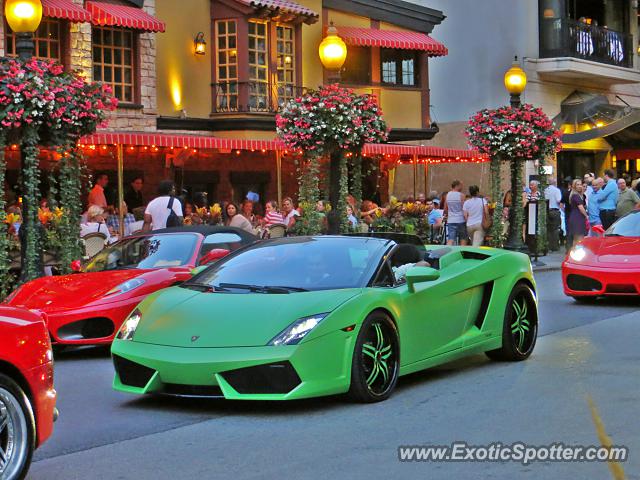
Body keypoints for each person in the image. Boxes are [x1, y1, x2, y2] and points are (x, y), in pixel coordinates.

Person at [444, 180, 468, 246]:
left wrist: (448, 215)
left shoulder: (447, 195)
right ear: (457, 186)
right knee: (463, 238)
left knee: (451, 239)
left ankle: (448, 253)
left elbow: (445, 208)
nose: (462, 187)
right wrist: (466, 218)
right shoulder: (461, 195)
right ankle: (462, 252)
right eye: (461, 186)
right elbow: (464, 208)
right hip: (461, 220)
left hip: (451, 220)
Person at [567, 179, 588, 247]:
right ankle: (577, 255)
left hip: (575, 217)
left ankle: (574, 255)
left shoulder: (575, 195)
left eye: (580, 184)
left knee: (576, 239)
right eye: (577, 185)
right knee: (579, 239)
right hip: (577, 218)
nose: (579, 186)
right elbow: (581, 208)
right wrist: (586, 216)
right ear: (574, 186)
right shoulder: (576, 196)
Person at [544, 178, 562, 251]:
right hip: (555, 211)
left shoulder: (545, 190)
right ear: (555, 182)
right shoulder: (556, 190)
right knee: (555, 229)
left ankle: (548, 246)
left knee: (548, 229)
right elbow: (558, 200)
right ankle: (554, 247)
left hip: (547, 210)